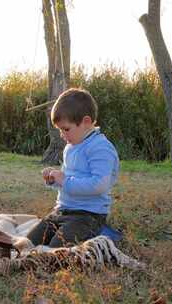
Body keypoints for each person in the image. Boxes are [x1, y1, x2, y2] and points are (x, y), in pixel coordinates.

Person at [21, 88, 119, 248]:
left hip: (88, 215)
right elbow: (67, 183)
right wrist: (54, 179)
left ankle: (98, 235)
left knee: (56, 250)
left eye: (66, 129)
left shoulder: (100, 148)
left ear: (86, 122)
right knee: (29, 242)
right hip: (61, 211)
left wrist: (64, 179)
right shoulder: (71, 146)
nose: (62, 134)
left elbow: (99, 185)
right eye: (60, 130)